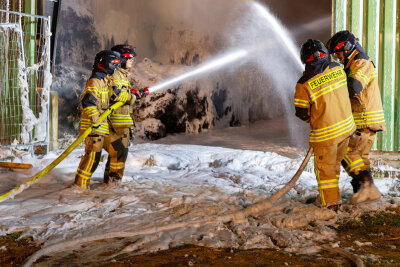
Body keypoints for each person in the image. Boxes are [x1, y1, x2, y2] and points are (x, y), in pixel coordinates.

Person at [294, 39, 356, 210]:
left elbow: (302, 113)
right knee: (334, 166)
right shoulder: (337, 69)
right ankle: (330, 196)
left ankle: (330, 205)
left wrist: (314, 118)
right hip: (346, 130)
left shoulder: (303, 83)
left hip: (326, 136)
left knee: (325, 170)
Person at [326, 31, 385, 203]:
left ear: (347, 47)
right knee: (360, 158)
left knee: (346, 152)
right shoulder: (354, 63)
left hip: (364, 121)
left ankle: (367, 188)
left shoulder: (361, 62)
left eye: (338, 53)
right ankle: (364, 194)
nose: (337, 57)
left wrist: (334, 81)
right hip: (361, 121)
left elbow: (354, 87)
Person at [74, 50, 124, 189]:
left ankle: (112, 182)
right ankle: (79, 187)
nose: (116, 67)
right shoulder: (95, 81)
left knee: (118, 149)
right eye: (114, 63)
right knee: (92, 159)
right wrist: (95, 120)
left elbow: (115, 97)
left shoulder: (105, 80)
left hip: (103, 127)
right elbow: (88, 103)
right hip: (94, 128)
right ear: (105, 63)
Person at [104, 44, 149, 184]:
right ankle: (113, 182)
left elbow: (122, 94)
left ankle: (109, 181)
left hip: (123, 122)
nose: (132, 60)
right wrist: (131, 97)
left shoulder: (122, 76)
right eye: (129, 57)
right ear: (120, 58)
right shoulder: (115, 75)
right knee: (119, 154)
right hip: (117, 123)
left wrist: (133, 94)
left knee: (117, 155)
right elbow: (115, 95)